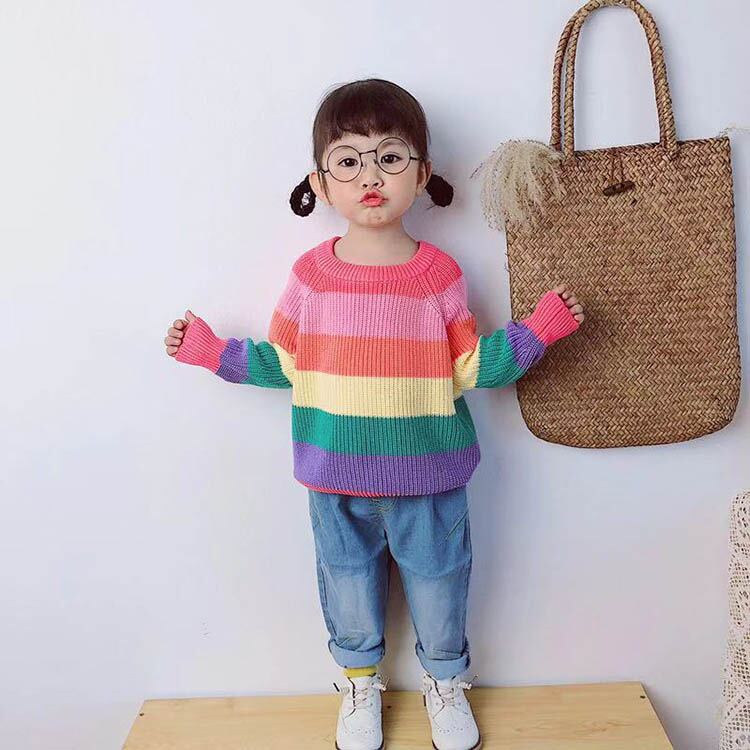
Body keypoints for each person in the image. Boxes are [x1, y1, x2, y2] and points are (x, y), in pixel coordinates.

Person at [164, 78, 584, 750]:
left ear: (421, 174)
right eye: (349, 160)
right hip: (335, 479)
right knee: (348, 588)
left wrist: (540, 330)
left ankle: (446, 682)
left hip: (430, 478)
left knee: (441, 586)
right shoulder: (310, 277)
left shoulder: (439, 275)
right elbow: (285, 362)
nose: (370, 176)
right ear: (320, 183)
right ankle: (359, 685)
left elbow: (472, 367)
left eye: (390, 157)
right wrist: (212, 353)